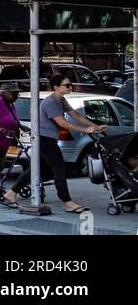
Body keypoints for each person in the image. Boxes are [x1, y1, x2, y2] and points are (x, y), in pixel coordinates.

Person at [37, 74, 107, 214]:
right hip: (44, 138)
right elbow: (62, 123)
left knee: (35, 170)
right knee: (59, 169)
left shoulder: (61, 100)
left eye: (70, 85)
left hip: (49, 138)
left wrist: (95, 126)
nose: (70, 87)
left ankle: (11, 193)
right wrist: (85, 129)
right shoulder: (50, 102)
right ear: (57, 87)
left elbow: (76, 115)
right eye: (67, 85)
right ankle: (67, 202)